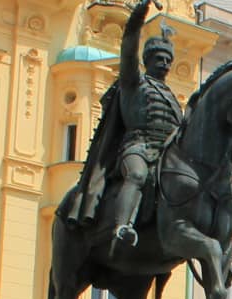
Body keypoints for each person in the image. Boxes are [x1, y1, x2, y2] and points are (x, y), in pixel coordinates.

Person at [72, 0, 183, 249]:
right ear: (148, 59)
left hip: (166, 154)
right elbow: (129, 45)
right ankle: (122, 226)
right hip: (138, 147)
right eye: (160, 58)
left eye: (168, 60)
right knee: (136, 174)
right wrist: (138, 15)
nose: (165, 63)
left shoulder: (173, 98)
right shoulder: (135, 83)